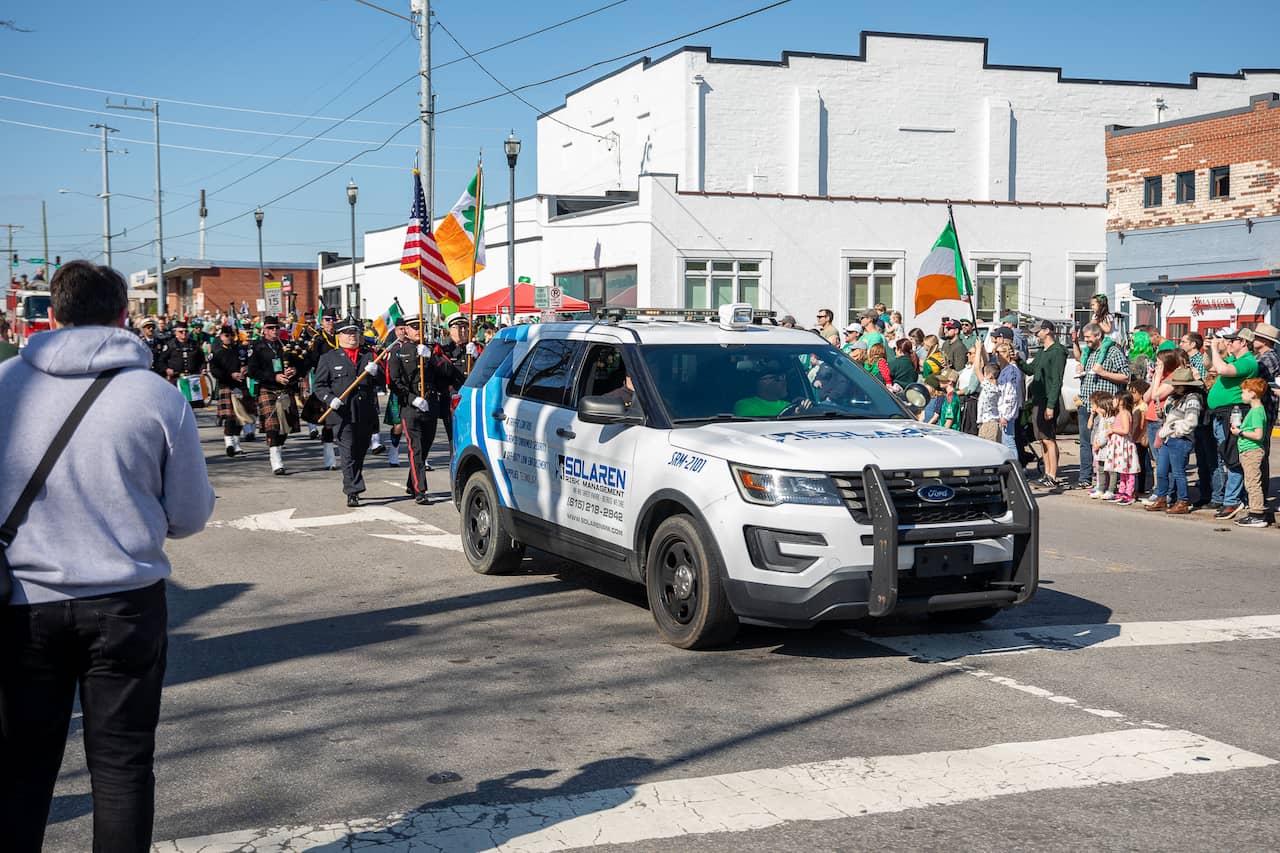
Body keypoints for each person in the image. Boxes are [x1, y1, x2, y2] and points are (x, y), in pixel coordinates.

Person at [0, 260, 214, 851]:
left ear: (55, 315)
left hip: (22, 602)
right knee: (121, 769)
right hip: (124, 602)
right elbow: (191, 515)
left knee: (21, 769)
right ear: (124, 317)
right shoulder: (157, 396)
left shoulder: (4, 386)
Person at [312, 316, 382, 506]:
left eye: (355, 332)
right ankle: (352, 490)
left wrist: (377, 372)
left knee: (360, 451)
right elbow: (319, 385)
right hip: (342, 412)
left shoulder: (368, 356)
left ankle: (354, 481)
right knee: (347, 452)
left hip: (365, 411)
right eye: (347, 333)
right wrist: (329, 399)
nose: (352, 336)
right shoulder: (329, 358)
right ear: (339, 336)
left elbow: (382, 382)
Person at [388, 316, 455, 504]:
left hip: (431, 405)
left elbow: (449, 373)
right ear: (406, 330)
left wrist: (432, 358)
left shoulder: (433, 349)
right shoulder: (398, 352)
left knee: (424, 448)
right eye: (413, 327)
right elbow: (394, 382)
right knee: (415, 448)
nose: (417, 330)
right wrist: (412, 399)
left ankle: (411, 483)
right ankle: (420, 490)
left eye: (421, 326)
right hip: (410, 407)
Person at [1206, 328, 1258, 518]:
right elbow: (1210, 367)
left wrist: (1214, 347)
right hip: (1222, 414)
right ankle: (1234, 498)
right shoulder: (1235, 359)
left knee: (1233, 457)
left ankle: (1232, 501)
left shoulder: (1248, 361)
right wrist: (1209, 349)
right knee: (1226, 455)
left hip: (1234, 413)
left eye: (1231, 340)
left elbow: (1221, 370)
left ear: (1243, 342)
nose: (1228, 343)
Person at [1073, 322, 1130, 489]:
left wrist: (1103, 373)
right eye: (1085, 339)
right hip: (1087, 404)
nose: (1087, 341)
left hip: (1105, 407)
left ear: (1098, 335)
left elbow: (1126, 377)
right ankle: (1085, 477)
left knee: (1107, 443)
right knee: (1086, 442)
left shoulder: (1113, 352)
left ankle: (1109, 480)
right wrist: (1080, 371)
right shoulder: (1088, 353)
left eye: (1089, 338)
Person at [1014, 320, 1067, 487]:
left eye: (1038, 332)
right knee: (1042, 439)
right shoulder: (1043, 351)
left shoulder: (1057, 352)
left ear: (1047, 331)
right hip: (1037, 400)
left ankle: (1053, 474)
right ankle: (1046, 473)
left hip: (1047, 400)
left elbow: (1057, 381)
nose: (1036, 335)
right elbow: (1031, 370)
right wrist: (1018, 361)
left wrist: (1051, 405)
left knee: (1049, 438)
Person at [1146, 367, 1205, 515]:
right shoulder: (1174, 398)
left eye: (1177, 385)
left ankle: (1182, 501)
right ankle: (1162, 498)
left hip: (1180, 439)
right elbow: (1168, 418)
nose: (1174, 387)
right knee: (1161, 470)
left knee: (1178, 472)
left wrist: (1174, 431)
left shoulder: (1192, 399)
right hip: (1168, 437)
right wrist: (1162, 416)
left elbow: (1191, 421)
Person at [247, 315, 300, 475]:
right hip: (267, 388)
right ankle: (276, 461)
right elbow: (252, 370)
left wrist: (294, 370)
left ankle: (277, 448)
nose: (274, 331)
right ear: (264, 330)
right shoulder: (256, 347)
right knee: (273, 426)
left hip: (285, 389)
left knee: (286, 427)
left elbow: (299, 363)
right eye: (270, 328)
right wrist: (274, 376)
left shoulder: (286, 345)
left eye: (276, 328)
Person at [208, 325, 254, 457]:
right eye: (226, 336)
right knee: (229, 418)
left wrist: (247, 369)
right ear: (221, 337)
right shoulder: (217, 353)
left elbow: (251, 363)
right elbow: (215, 371)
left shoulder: (240, 350)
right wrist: (231, 375)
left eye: (231, 335)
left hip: (240, 386)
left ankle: (237, 444)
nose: (229, 338)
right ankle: (229, 443)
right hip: (226, 385)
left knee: (240, 418)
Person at [1232, 377, 1270, 528]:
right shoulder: (1256, 411)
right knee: (1251, 482)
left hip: (1251, 450)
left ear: (1253, 394)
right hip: (1248, 450)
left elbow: (1258, 435)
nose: (1242, 394)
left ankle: (1257, 514)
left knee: (1253, 483)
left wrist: (1240, 432)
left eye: (1244, 392)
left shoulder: (1256, 412)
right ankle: (1255, 512)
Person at [1249, 323, 1280, 496]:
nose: (1254, 340)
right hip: (1264, 409)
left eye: (1257, 337)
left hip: (1265, 409)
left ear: (1266, 341)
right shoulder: (1262, 356)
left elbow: (1251, 374)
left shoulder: (1268, 358)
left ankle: (1259, 493)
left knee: (1259, 453)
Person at [1088, 392, 1117, 500]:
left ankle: (1111, 490)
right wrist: (1096, 442)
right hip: (1100, 448)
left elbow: (1106, 435)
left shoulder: (1111, 420)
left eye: (1100, 407)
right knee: (1100, 469)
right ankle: (1100, 489)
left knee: (1111, 470)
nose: (1098, 409)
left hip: (1107, 448)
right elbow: (1098, 432)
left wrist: (1099, 444)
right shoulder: (1103, 419)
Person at [976, 363, 1001, 442]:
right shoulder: (998, 387)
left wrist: (978, 350)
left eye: (984, 374)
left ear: (990, 375)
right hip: (996, 423)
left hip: (988, 424)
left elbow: (976, 368)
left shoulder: (989, 387)